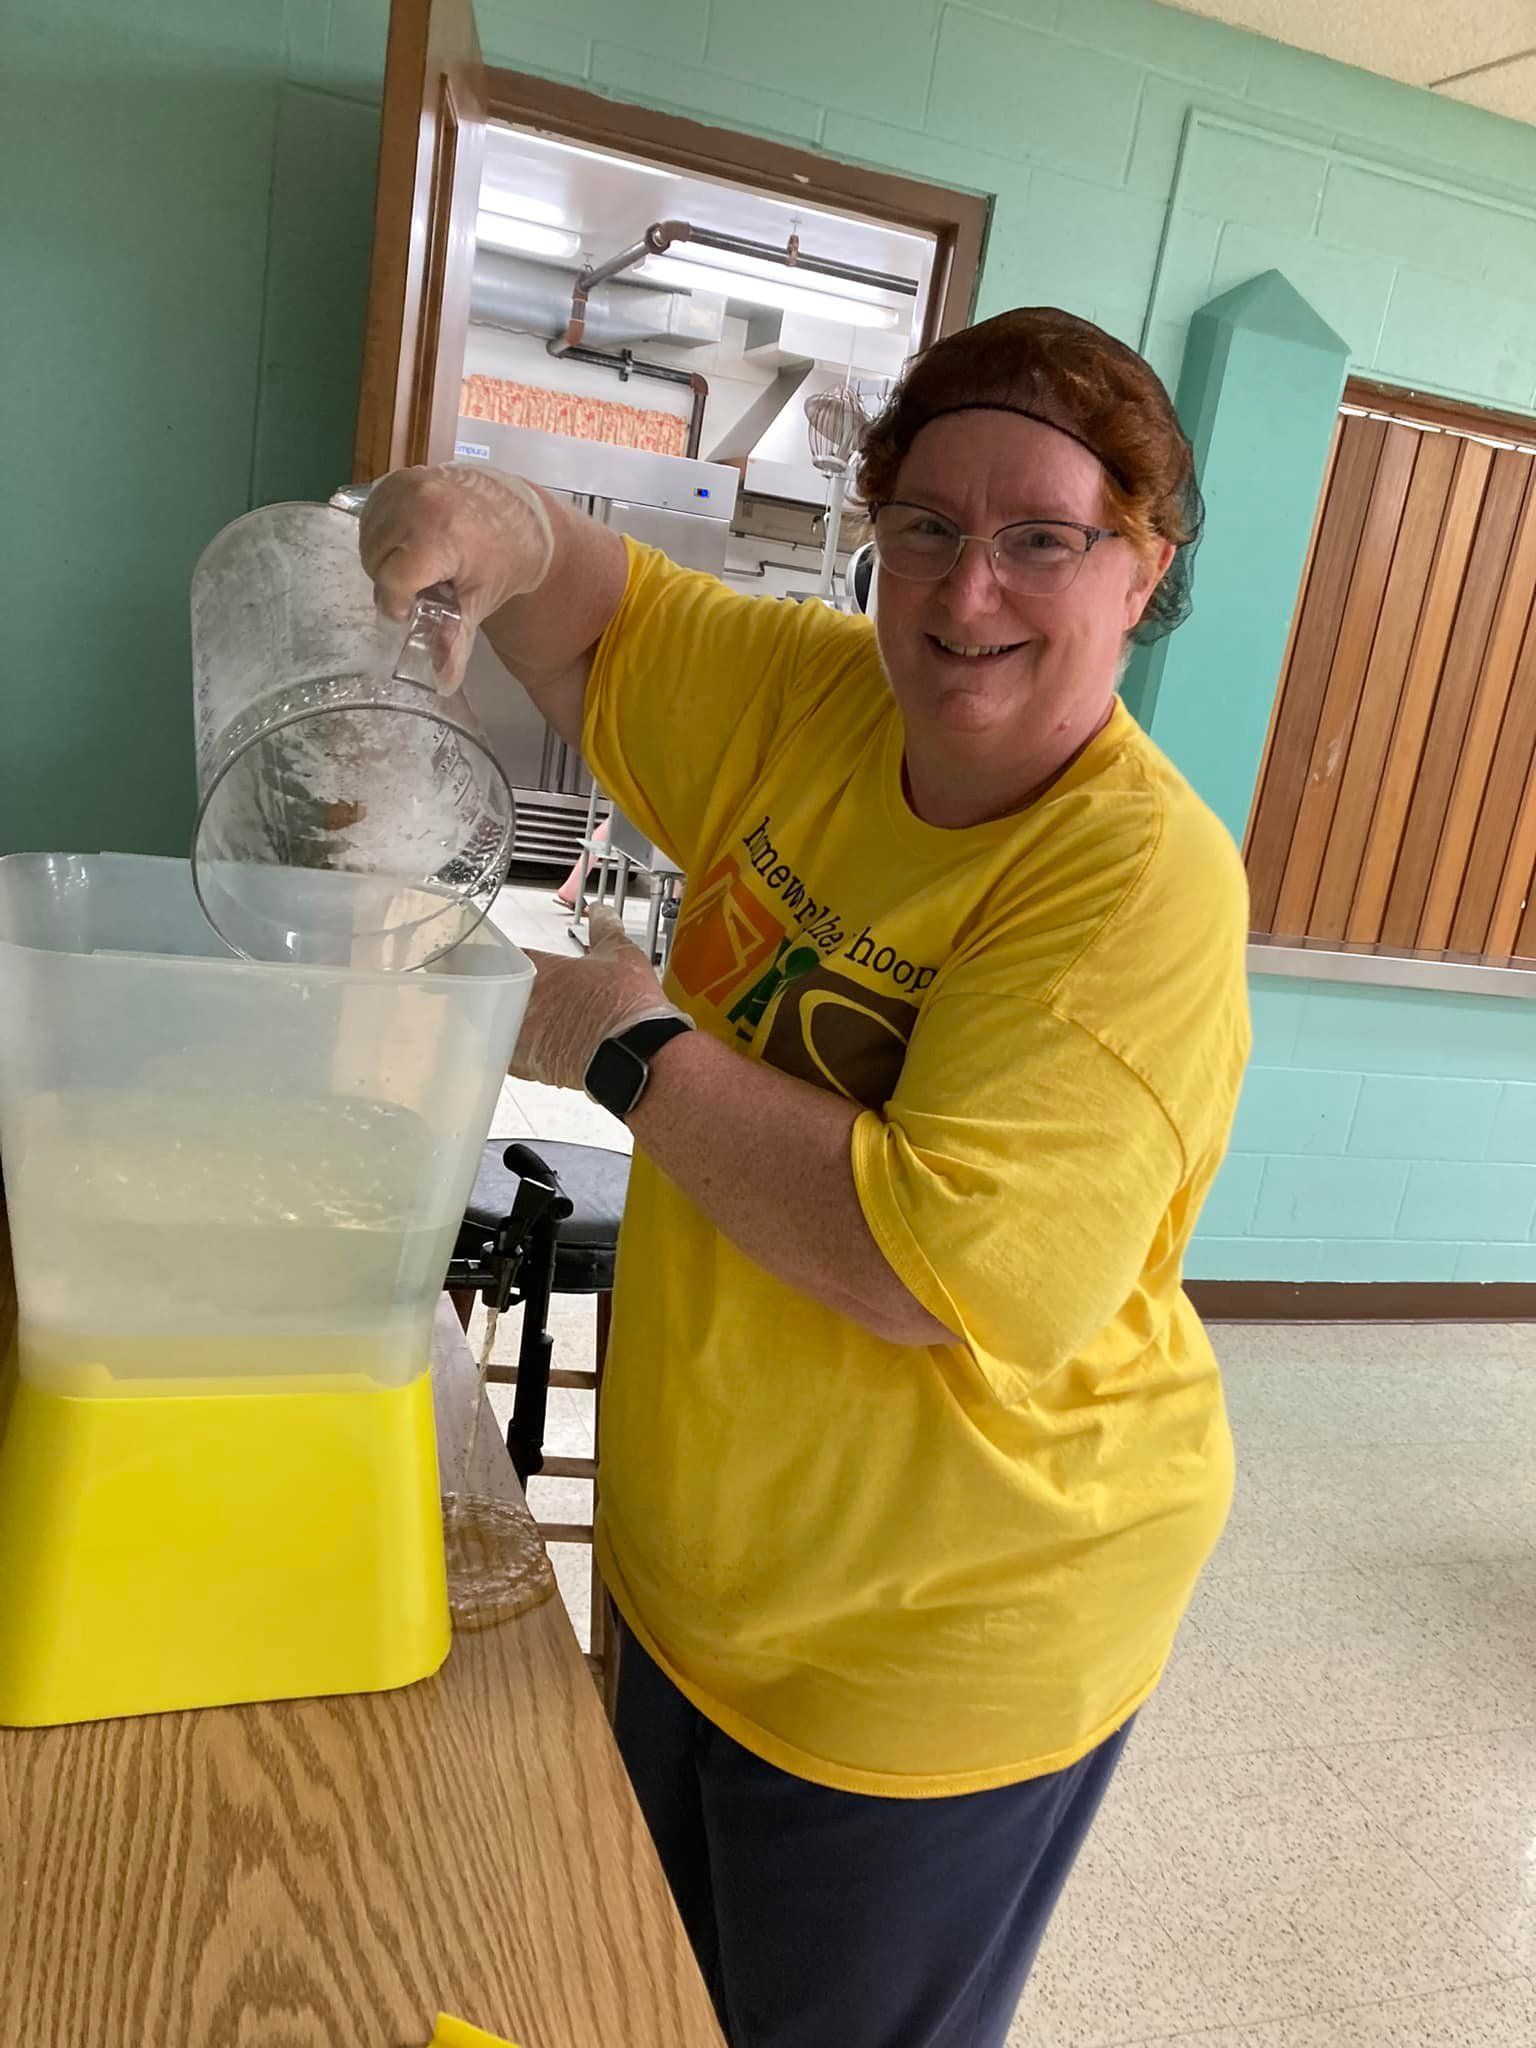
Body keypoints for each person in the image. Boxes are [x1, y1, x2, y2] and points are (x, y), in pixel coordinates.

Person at [361, 306, 1250, 2048]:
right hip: (709, 1572)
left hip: (940, 1637)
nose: (964, 591)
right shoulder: (822, 700)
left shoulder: (1137, 889)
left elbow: (935, 1271)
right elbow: (587, 611)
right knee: (658, 1999)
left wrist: (623, 1034)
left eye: (1039, 539)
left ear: (1138, 572)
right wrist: (487, 517)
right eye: (924, 525)